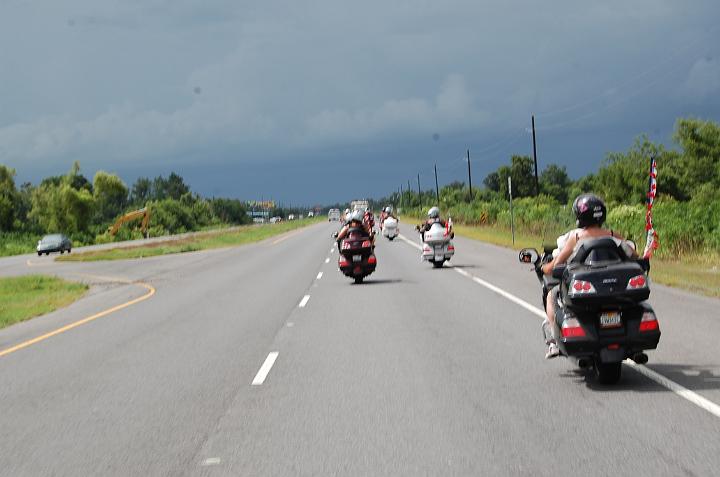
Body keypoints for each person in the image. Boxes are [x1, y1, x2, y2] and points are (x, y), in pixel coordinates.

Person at [540, 194, 636, 359]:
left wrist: (543, 268)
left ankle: (554, 342)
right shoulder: (613, 234)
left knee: (551, 295)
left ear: (579, 216)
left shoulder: (576, 237)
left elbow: (556, 264)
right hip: (614, 287)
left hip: (586, 288)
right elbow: (633, 255)